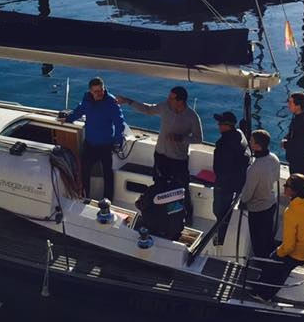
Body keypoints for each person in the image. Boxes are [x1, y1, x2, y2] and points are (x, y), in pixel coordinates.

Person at [118, 86, 201, 223]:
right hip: (161, 155)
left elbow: (198, 138)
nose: (168, 99)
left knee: (182, 188)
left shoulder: (192, 117)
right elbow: (148, 109)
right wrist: (127, 101)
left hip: (178, 159)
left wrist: (181, 139)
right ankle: (159, 213)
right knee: (159, 185)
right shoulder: (165, 107)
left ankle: (187, 216)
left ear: (181, 101)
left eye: (171, 98)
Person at [257, 173, 304, 300]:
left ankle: (264, 294)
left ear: (294, 191)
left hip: (299, 253)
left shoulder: (292, 212)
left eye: (286, 185)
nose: (284, 186)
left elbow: (288, 247)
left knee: (272, 260)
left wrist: (278, 252)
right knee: (281, 260)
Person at [59, 77, 125, 201]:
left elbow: (119, 123)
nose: (99, 93)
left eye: (101, 90)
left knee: (108, 174)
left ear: (104, 88)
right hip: (90, 144)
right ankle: (85, 197)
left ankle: (108, 200)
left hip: (106, 145)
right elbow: (79, 111)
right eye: (96, 91)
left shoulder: (112, 102)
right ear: (90, 91)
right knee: (84, 171)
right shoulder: (87, 99)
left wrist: (118, 140)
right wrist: (68, 119)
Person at [239, 129, 280, 259]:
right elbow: (276, 177)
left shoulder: (254, 169)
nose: (249, 142)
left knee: (258, 241)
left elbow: (247, 194)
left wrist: (242, 201)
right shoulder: (274, 158)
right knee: (267, 235)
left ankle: (260, 263)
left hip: (257, 209)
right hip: (271, 203)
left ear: (257, 146)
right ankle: (269, 257)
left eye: (251, 140)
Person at [211, 111, 250, 246]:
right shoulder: (240, 135)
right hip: (238, 182)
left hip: (225, 183)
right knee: (226, 209)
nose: (218, 125)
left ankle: (220, 238)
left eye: (221, 123)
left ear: (228, 126)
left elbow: (222, 167)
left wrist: (219, 181)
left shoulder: (224, 144)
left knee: (219, 210)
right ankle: (223, 233)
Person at [282, 92, 304, 178]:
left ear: (298, 106)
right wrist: (286, 138)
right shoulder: (298, 117)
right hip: (296, 161)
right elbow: (293, 134)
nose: (288, 105)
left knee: (298, 188)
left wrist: (286, 144)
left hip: (300, 165)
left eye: (290, 102)